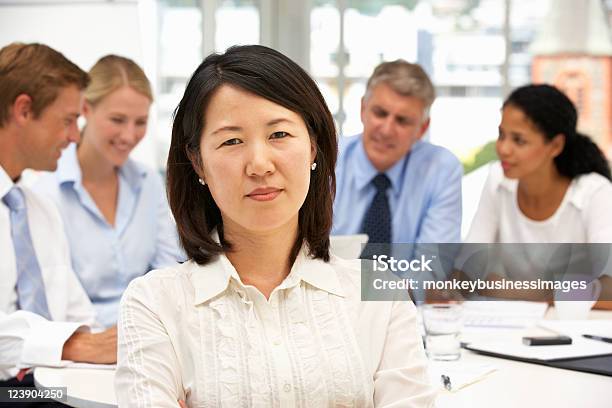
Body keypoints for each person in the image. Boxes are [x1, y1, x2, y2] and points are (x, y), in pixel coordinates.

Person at [115, 45, 435, 407]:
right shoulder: (154, 303)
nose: (259, 164)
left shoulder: (381, 296)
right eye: (231, 140)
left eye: (279, 135)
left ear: (313, 146)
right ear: (198, 163)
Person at [34, 55, 184, 327]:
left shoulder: (148, 182)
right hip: (83, 343)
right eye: (117, 119)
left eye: (140, 122)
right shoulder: (45, 194)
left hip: (151, 330)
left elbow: (169, 273)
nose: (129, 135)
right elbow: (56, 303)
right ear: (85, 110)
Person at [0, 43, 116, 391]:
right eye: (67, 120)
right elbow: (81, 341)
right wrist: (74, 344)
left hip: (49, 389)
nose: (74, 136)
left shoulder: (39, 210)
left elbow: (83, 319)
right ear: (23, 110)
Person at [463, 84, 612, 307]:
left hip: (580, 329)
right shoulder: (498, 179)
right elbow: (468, 270)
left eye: (519, 140)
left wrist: (517, 291)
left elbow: (608, 288)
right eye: (501, 135)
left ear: (555, 145)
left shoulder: (594, 192)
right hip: (516, 326)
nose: (503, 148)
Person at [333, 60, 462, 246]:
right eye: (380, 113)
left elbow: (432, 266)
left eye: (402, 121)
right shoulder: (327, 159)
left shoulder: (440, 169)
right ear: (363, 109)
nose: (386, 130)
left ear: (422, 128)